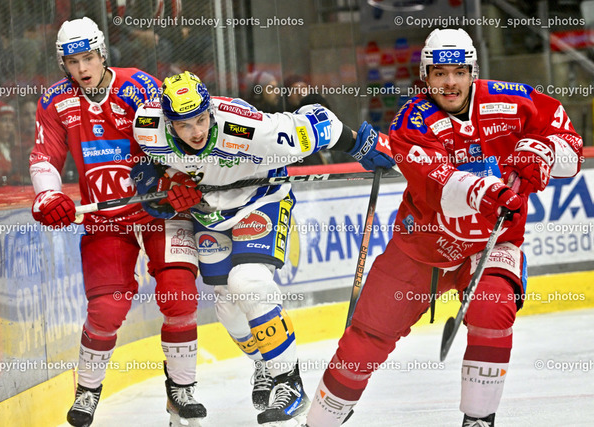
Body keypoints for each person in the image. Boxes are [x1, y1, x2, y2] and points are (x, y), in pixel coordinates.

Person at [303, 28, 583, 427]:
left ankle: (478, 420)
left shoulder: (514, 100)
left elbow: (569, 144)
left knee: (492, 307)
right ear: (425, 76)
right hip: (421, 247)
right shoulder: (411, 121)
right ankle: (321, 420)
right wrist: (489, 192)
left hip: (491, 243)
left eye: (458, 72)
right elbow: (441, 186)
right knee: (366, 338)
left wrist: (544, 152)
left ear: (472, 72)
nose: (450, 82)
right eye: (439, 73)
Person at [130, 71, 394, 425]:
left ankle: (289, 383)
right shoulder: (147, 126)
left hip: (261, 200)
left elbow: (320, 122)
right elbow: (147, 164)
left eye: (201, 119)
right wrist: (159, 189)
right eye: (184, 125)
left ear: (210, 110)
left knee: (248, 282)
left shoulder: (248, 128)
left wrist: (362, 144)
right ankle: (265, 364)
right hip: (210, 214)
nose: (196, 132)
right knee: (227, 304)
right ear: (168, 123)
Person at [29, 18, 206, 427]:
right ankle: (87, 390)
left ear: (102, 53)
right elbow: (44, 158)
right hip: (106, 218)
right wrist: (48, 195)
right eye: (72, 62)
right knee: (106, 309)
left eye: (88, 58)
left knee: (179, 295)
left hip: (160, 209)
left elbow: (178, 140)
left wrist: (180, 180)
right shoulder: (55, 101)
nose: (81, 69)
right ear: (62, 64)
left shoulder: (140, 87)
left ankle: (181, 389)